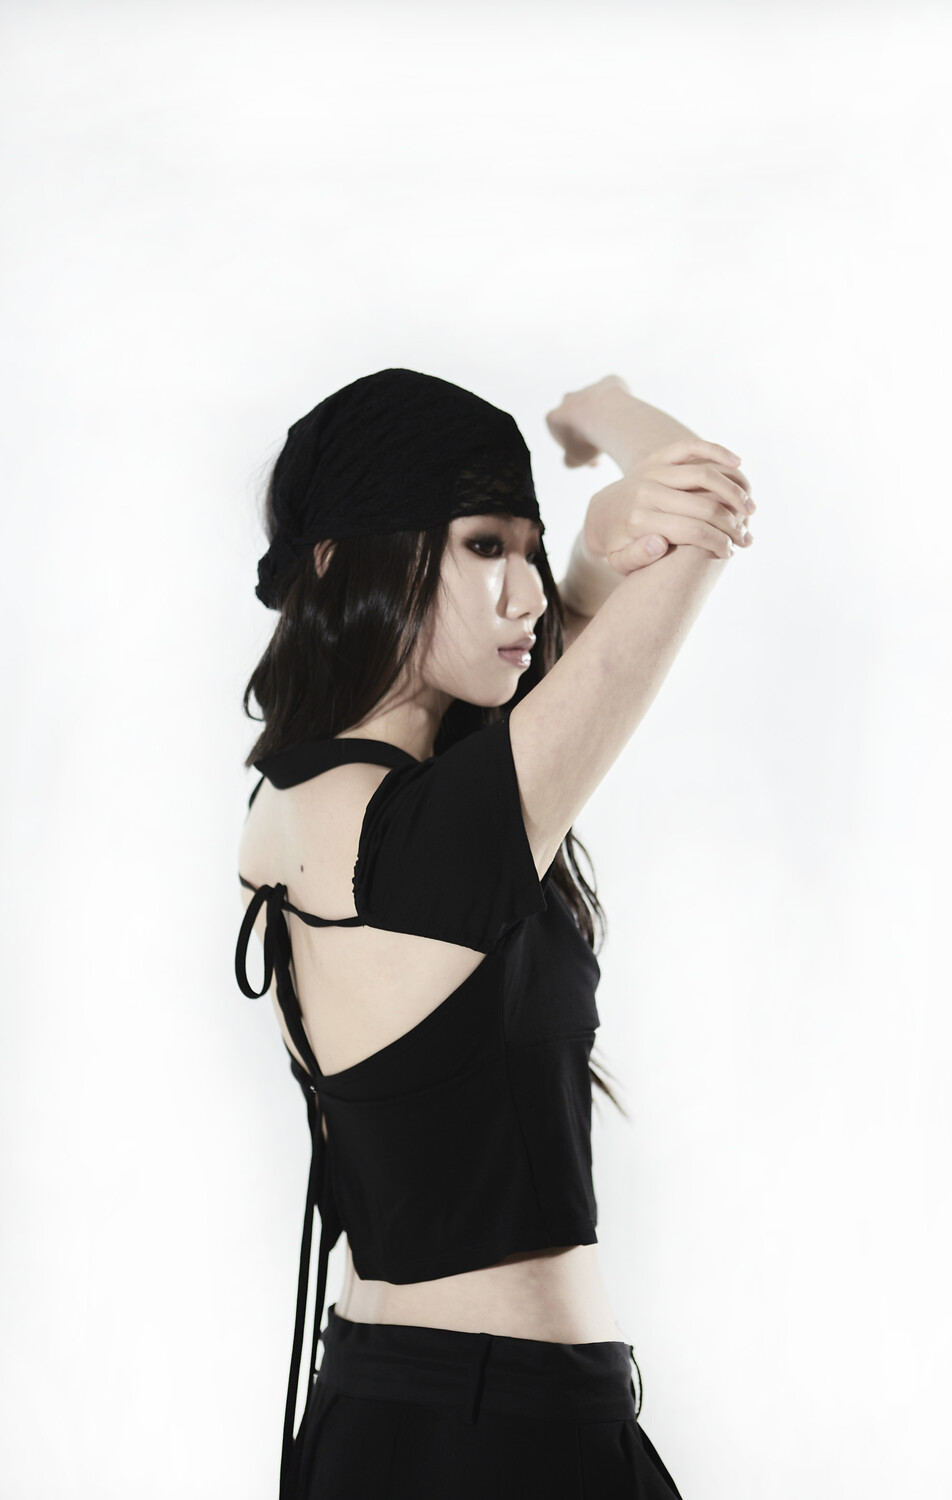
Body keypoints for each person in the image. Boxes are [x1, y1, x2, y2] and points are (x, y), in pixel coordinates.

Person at [235, 367, 754, 1498]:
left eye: (530, 549)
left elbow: (571, 630)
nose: (523, 592)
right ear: (341, 561)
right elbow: (704, 505)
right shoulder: (401, 833)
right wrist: (599, 410)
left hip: (440, 1417)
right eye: (480, 546)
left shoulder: (320, 801)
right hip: (488, 1436)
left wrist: (586, 555)